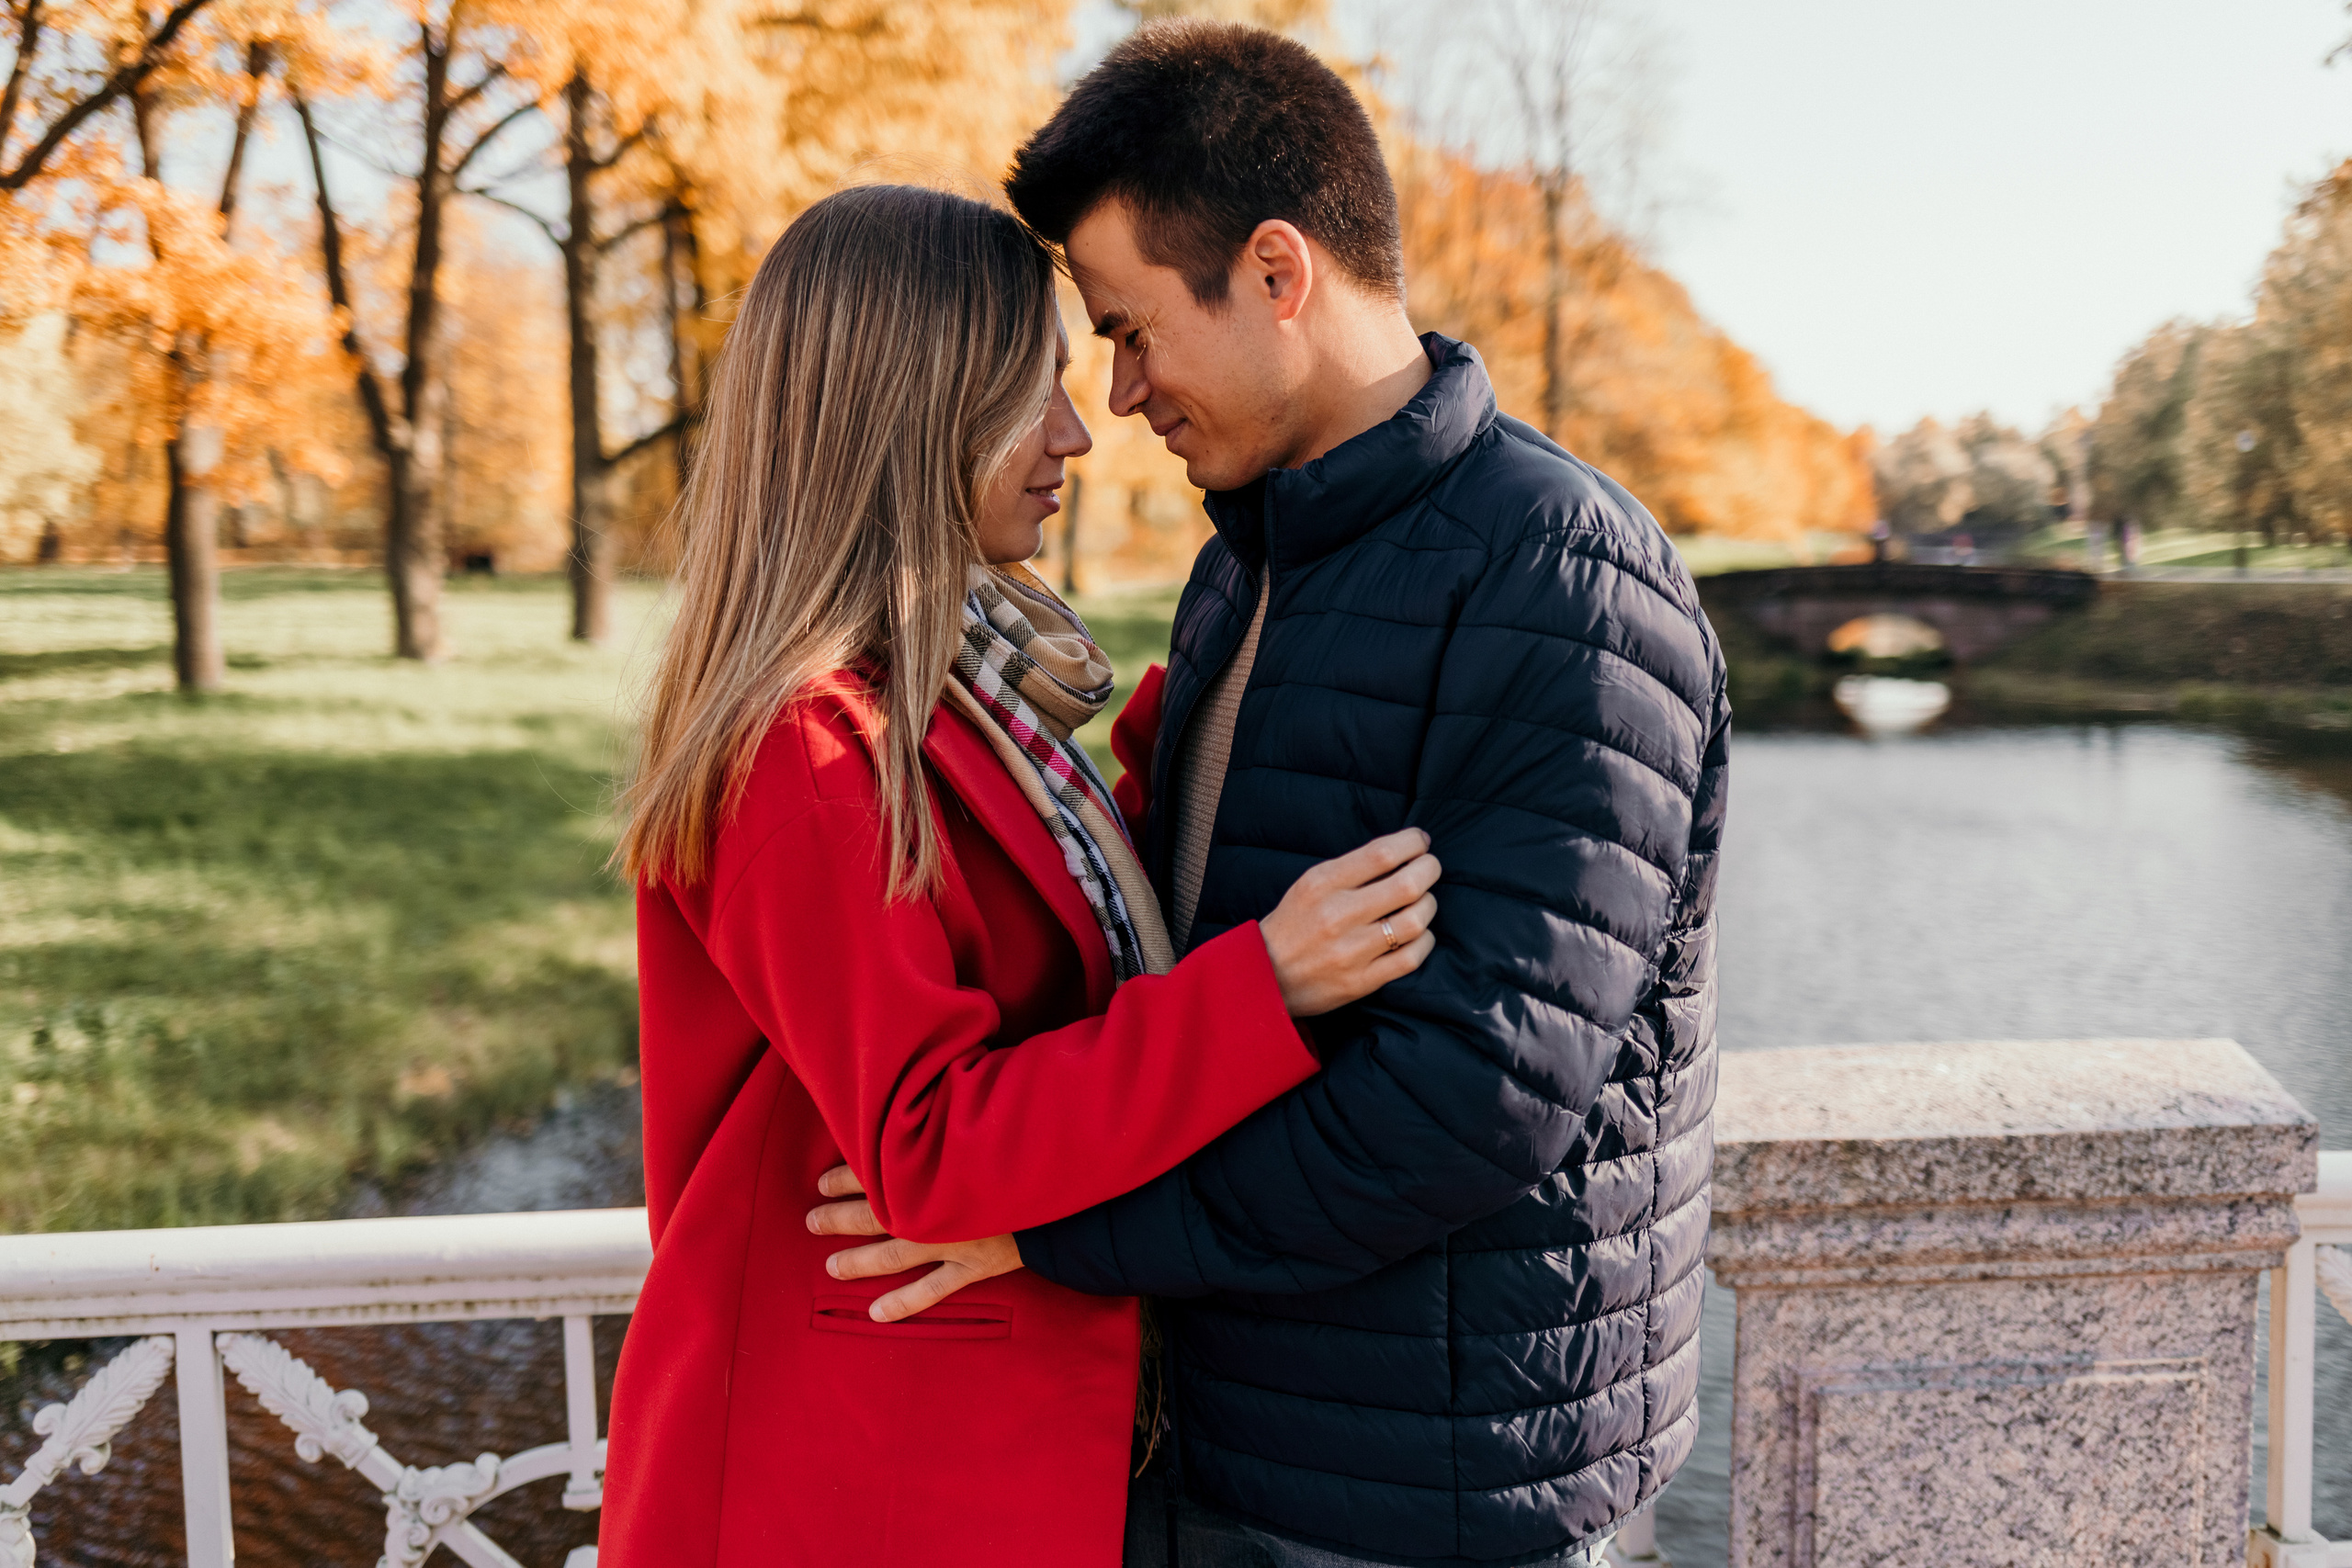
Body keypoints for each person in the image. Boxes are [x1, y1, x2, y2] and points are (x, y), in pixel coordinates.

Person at [820, 24, 1732, 1568]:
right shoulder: (1245, 565)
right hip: (1218, 1440)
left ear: (1275, 272)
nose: (1118, 395)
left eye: (1130, 331)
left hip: (1433, 1495)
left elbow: (1467, 1107)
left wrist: (1050, 1231)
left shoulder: (1564, 580)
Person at [596, 183, 1444, 1568]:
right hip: (847, 1481)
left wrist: (1229, 689)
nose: (1077, 431)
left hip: (966, 1444)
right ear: (909, 413)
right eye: (1029, 391)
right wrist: (1264, 989)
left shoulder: (959, 701)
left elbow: (1054, 939)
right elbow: (928, 1147)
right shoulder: (806, 750)